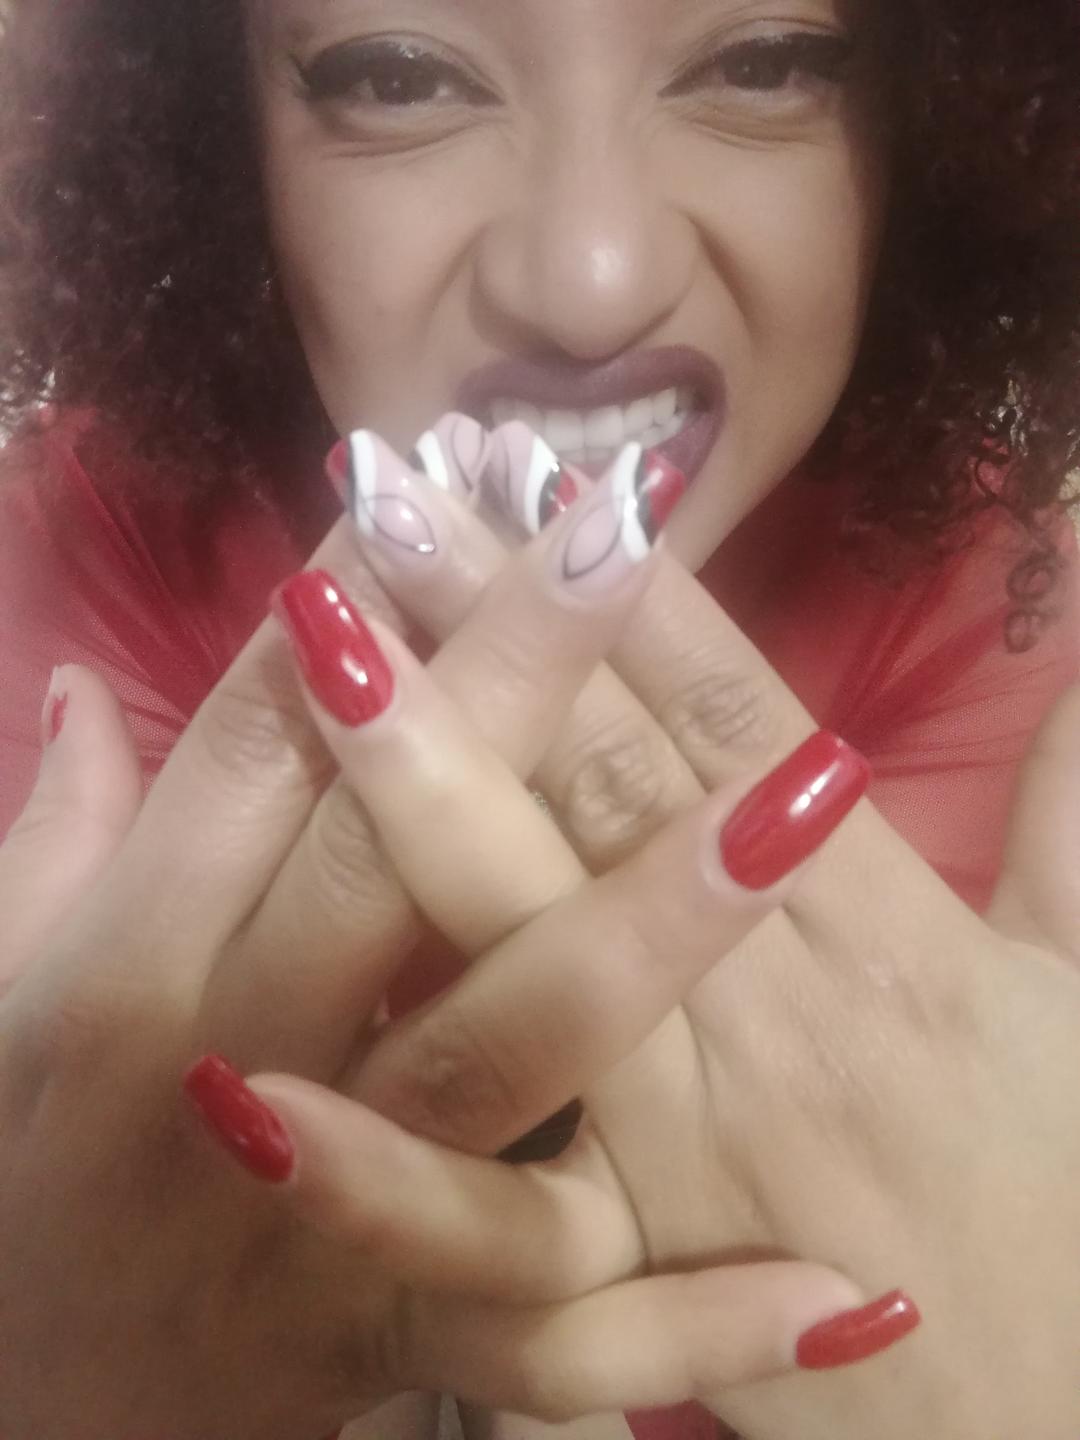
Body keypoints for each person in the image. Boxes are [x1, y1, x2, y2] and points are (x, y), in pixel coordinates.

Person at [0, 0, 1079, 1437]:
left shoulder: (1017, 632)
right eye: (400, 77)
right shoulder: (87, 559)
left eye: (762, 64)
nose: (591, 285)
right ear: (220, 127)